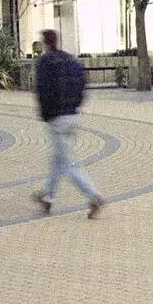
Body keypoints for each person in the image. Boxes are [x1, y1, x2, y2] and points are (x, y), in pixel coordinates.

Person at [33, 29, 104, 219]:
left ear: (45, 44)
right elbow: (82, 83)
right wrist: (76, 104)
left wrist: (46, 114)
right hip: (72, 115)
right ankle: (47, 197)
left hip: (57, 118)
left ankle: (93, 196)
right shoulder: (70, 60)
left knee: (66, 162)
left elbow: (41, 90)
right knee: (58, 158)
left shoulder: (45, 63)